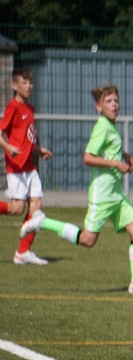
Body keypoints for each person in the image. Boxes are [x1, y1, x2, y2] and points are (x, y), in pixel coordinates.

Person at [21, 84, 133, 295]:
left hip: (116, 194)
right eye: (108, 101)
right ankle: (41, 221)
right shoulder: (102, 126)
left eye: (116, 101)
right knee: (88, 240)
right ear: (98, 107)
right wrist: (116, 164)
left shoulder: (111, 127)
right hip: (102, 194)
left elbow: (111, 149)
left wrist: (125, 155)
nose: (114, 105)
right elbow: (88, 157)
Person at [1, 67, 51, 265]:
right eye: (24, 82)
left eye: (30, 82)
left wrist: (39, 150)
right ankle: (23, 252)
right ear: (14, 86)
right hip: (16, 167)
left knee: (36, 208)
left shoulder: (30, 109)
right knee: (16, 209)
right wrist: (7, 146)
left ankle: (23, 252)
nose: (29, 86)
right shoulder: (12, 107)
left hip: (30, 167)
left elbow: (28, 137)